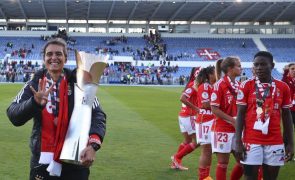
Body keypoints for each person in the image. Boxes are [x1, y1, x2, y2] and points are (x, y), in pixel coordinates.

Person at [6, 38, 106, 180]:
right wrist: (33, 103)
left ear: (66, 57)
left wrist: (93, 145)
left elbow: (97, 115)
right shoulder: (35, 83)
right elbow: (13, 114)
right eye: (49, 54)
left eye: (58, 54)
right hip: (42, 161)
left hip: (75, 160)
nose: (54, 57)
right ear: (44, 58)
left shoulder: (79, 83)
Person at [235, 51, 294, 180]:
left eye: (263, 64)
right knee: (250, 177)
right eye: (256, 65)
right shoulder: (246, 85)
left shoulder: (283, 87)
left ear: (272, 66)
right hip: (251, 140)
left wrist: (290, 142)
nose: (259, 68)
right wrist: (237, 141)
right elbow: (240, 114)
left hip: (275, 141)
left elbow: (287, 116)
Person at [210, 57, 243, 180]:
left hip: (237, 129)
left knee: (243, 162)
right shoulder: (219, 85)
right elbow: (214, 109)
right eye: (238, 66)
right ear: (230, 69)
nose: (241, 68)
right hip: (222, 129)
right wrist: (232, 120)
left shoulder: (239, 85)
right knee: (223, 164)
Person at [170, 67, 201, 170]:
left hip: (183, 116)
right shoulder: (194, 85)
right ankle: (177, 157)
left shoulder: (191, 84)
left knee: (187, 140)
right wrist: (196, 108)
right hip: (188, 116)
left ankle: (176, 163)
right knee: (197, 141)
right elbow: (182, 98)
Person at [195, 66, 216, 180]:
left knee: (210, 150)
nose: (218, 75)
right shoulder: (204, 86)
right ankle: (203, 177)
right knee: (206, 151)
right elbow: (205, 104)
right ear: (210, 75)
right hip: (205, 121)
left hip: (211, 120)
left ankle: (206, 176)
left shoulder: (212, 86)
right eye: (216, 73)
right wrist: (220, 103)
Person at [282, 63, 295, 128]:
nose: (294, 70)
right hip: (290, 108)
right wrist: (285, 71)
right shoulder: (286, 80)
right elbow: (284, 80)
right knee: (289, 127)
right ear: (288, 70)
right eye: (292, 69)